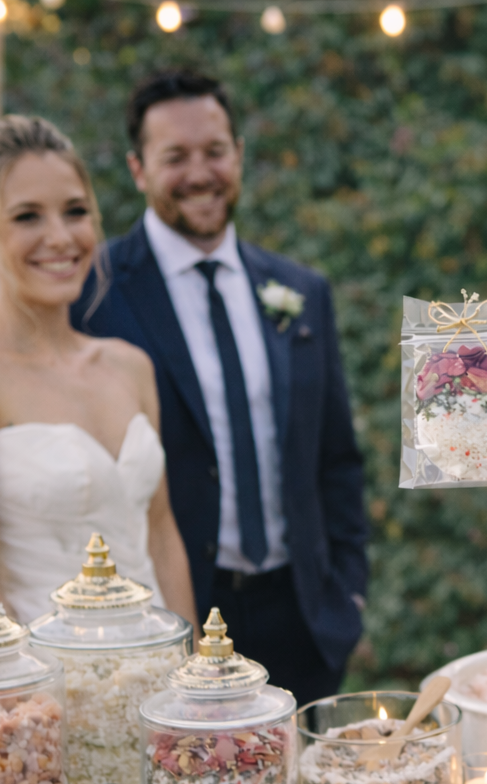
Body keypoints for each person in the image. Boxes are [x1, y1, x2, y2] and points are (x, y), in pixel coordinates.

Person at [70, 69, 368, 707]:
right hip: (167, 616)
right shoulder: (93, 294)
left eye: (215, 151)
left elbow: (336, 458)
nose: (200, 172)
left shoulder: (300, 290)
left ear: (238, 155)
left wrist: (349, 595)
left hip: (302, 618)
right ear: (138, 169)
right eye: (175, 156)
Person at [0, 115, 197, 627]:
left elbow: (161, 538)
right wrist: (38, 702)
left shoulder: (130, 367)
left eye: (75, 211)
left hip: (159, 679)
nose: (60, 237)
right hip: (42, 685)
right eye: (27, 217)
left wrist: (193, 687)